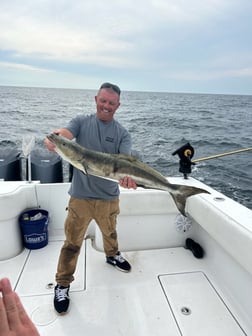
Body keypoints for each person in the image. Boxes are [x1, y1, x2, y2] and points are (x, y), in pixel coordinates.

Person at [44, 82, 137, 314]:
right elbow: (66, 133)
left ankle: (112, 256)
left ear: (118, 105)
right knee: (72, 243)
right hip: (81, 198)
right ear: (96, 99)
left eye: (111, 103)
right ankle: (63, 283)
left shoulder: (122, 133)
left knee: (110, 233)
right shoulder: (81, 122)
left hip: (108, 198)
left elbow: (125, 161)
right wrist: (56, 138)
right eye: (103, 101)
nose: (106, 106)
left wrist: (127, 178)